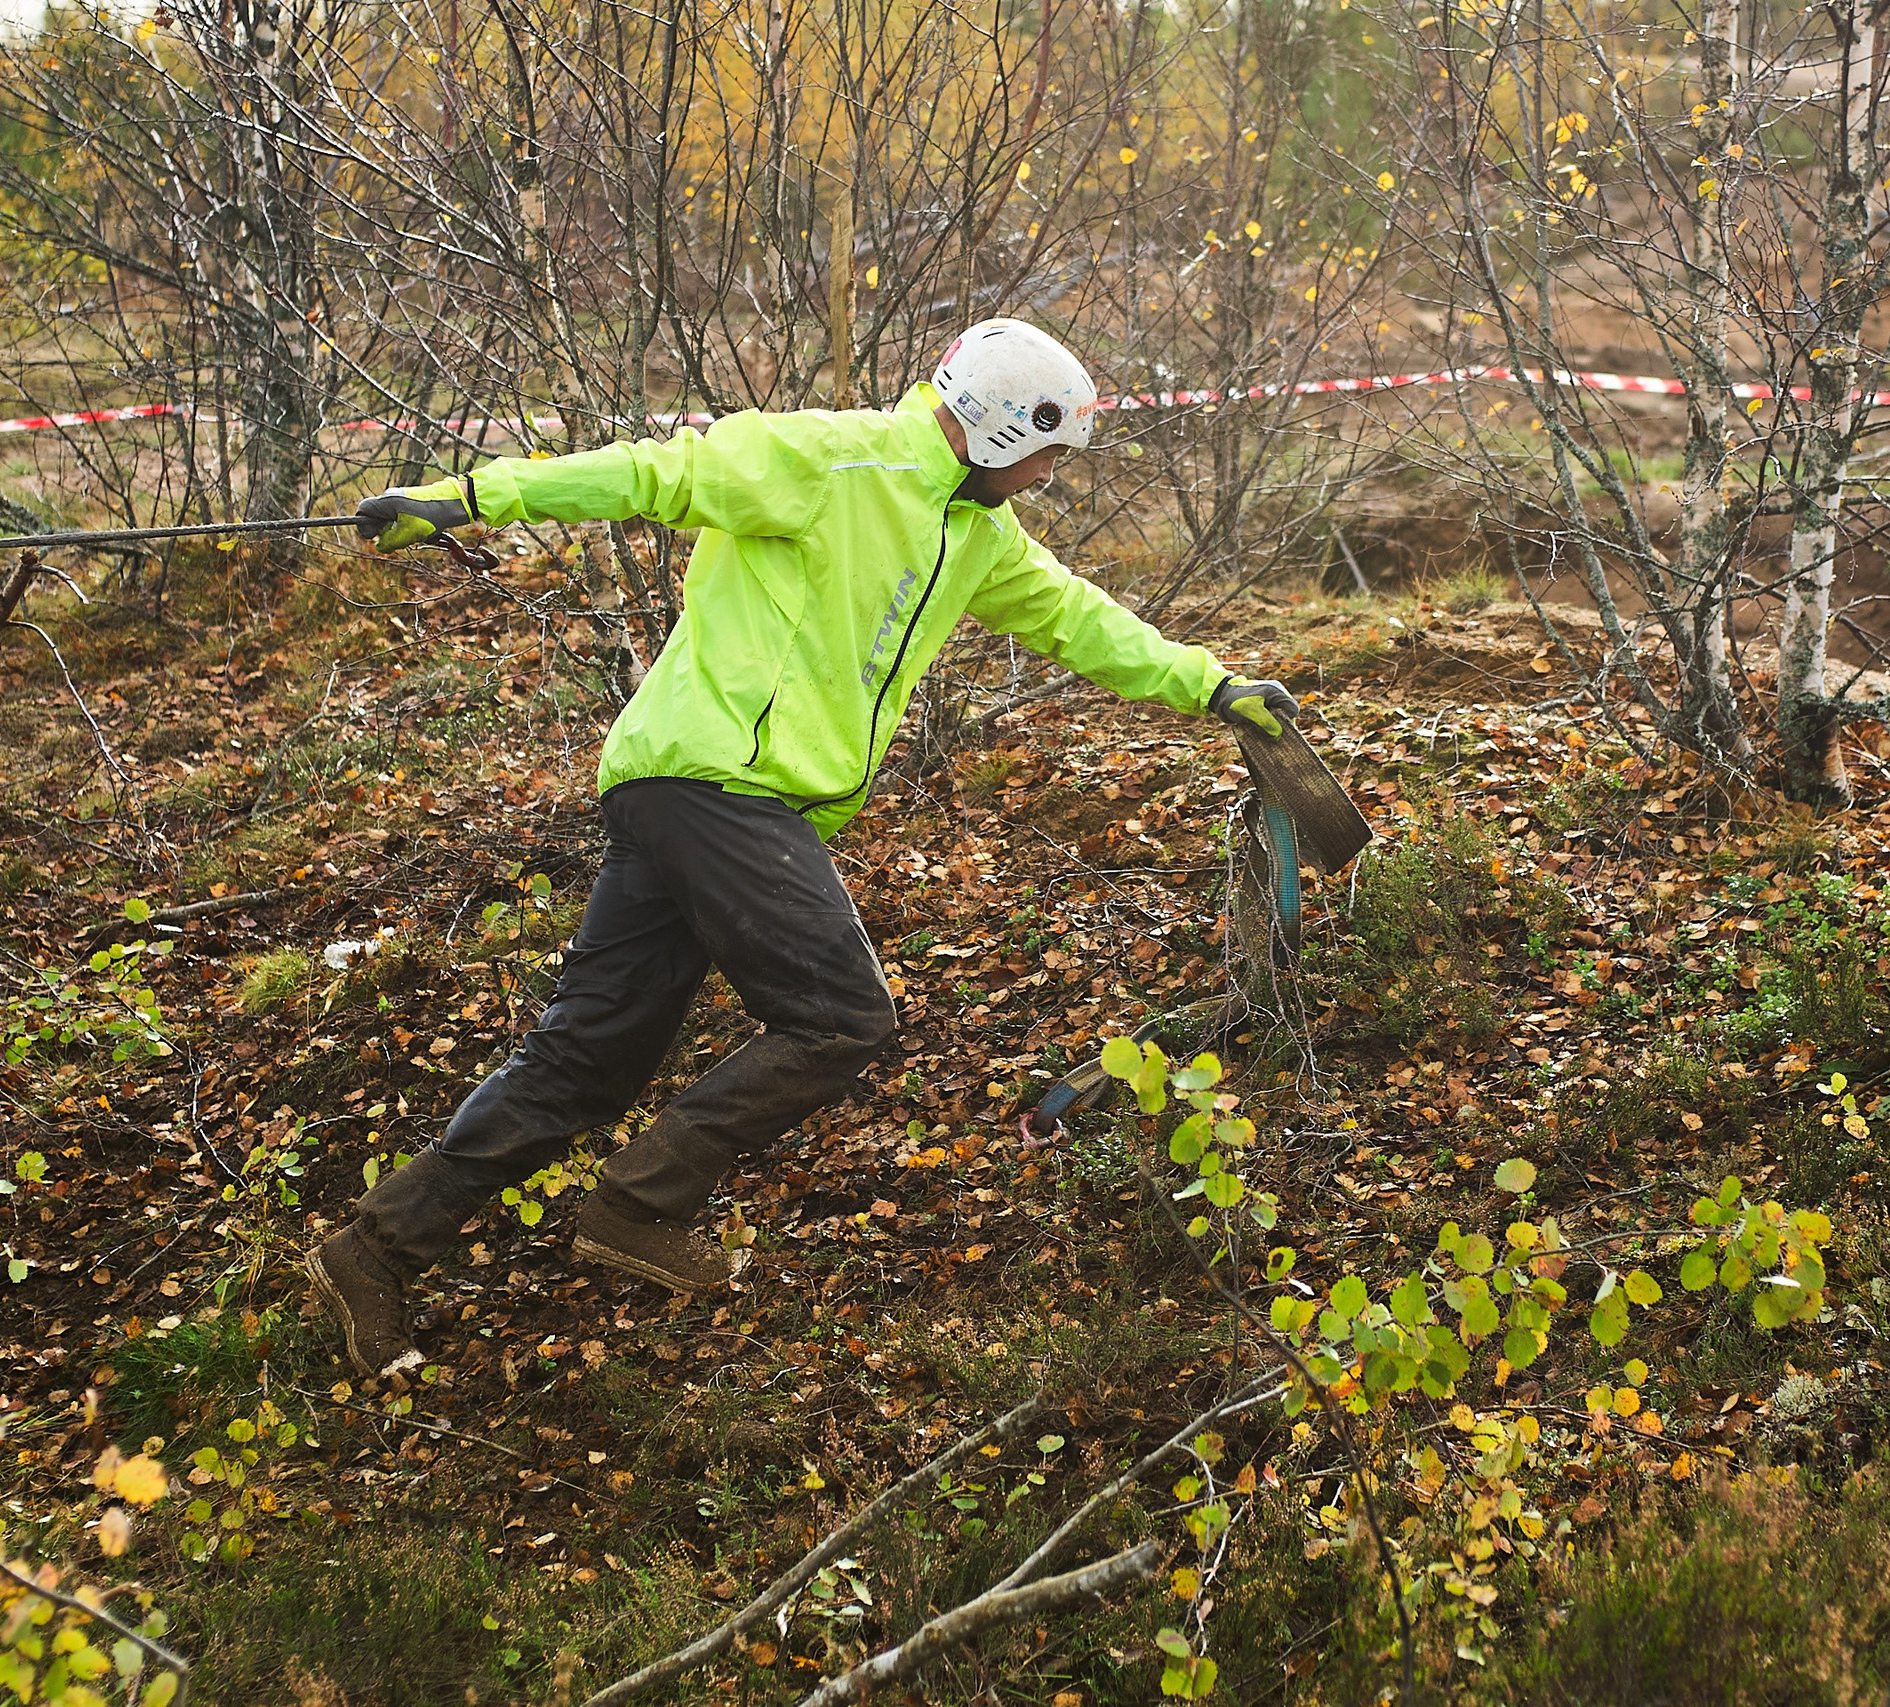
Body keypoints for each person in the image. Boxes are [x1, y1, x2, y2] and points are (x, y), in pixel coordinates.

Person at [307, 318, 1302, 1380]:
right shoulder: (831, 459)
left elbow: (1077, 619)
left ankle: (371, 1252)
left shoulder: (974, 535)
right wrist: (467, 499)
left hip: (704, 798)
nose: (1054, 475)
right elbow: (655, 471)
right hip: (715, 782)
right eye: (1052, 452)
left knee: (583, 1067)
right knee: (841, 1016)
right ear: (1007, 428)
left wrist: (1210, 685)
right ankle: (635, 1208)